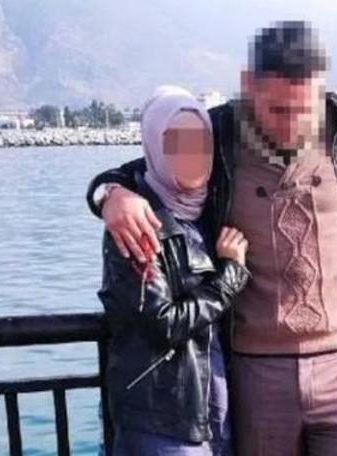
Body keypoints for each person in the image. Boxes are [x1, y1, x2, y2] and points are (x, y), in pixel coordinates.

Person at [88, 21, 337, 455]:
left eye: (305, 109)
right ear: (248, 86)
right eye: (278, 110)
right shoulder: (219, 134)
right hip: (256, 372)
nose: (293, 124)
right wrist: (111, 194)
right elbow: (153, 168)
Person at [97, 85, 250, 455]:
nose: (191, 154)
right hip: (163, 420)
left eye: (200, 142)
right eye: (176, 142)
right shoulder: (137, 224)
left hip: (216, 409)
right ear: (154, 146)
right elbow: (162, 323)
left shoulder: (211, 211)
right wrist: (229, 277)